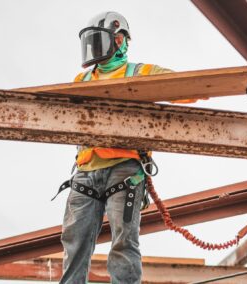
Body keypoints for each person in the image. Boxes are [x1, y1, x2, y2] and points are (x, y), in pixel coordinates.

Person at [59, 11, 172, 284]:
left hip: (125, 171)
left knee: (124, 244)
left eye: (100, 41)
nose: (94, 48)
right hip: (86, 172)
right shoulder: (82, 80)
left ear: (119, 40)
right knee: (74, 243)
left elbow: (185, 86)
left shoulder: (141, 73)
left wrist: (237, 84)